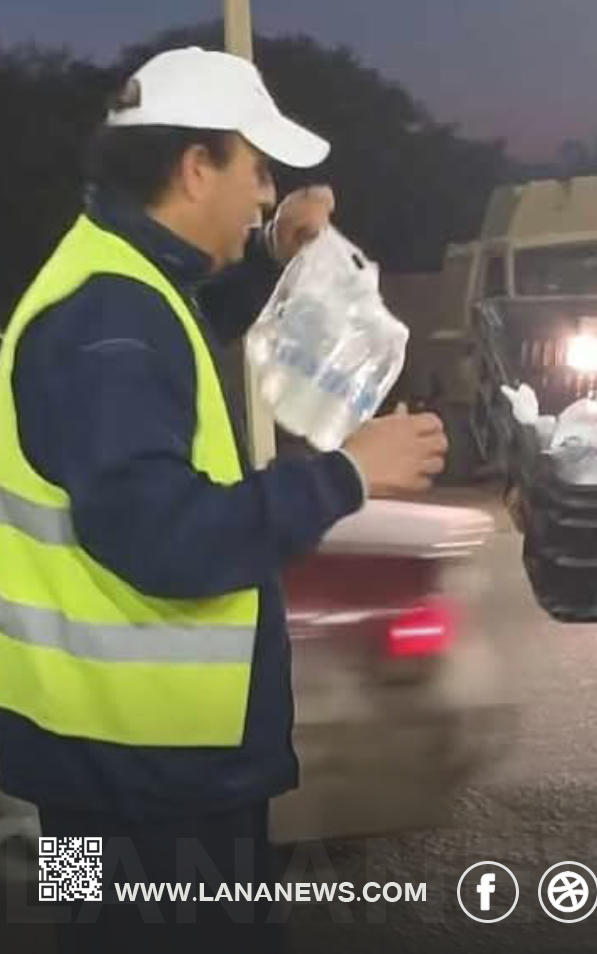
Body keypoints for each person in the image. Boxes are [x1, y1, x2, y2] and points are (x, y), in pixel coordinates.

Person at [0, 47, 447, 945]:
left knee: (86, 934)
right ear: (195, 167)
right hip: (153, 785)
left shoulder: (115, 281)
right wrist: (348, 473)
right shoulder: (111, 323)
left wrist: (272, 251)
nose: (265, 193)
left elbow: (176, 335)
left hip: (88, 764)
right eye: (256, 169)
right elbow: (165, 539)